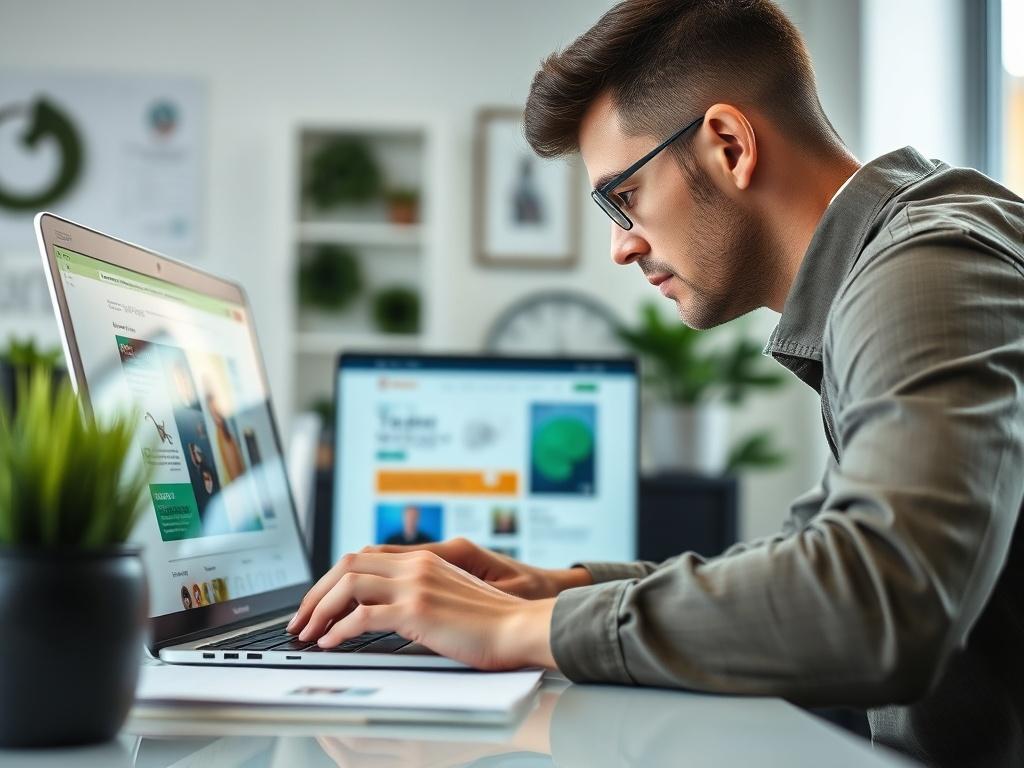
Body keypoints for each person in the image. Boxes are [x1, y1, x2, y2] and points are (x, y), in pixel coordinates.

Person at [288, 2, 1024, 765]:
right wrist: (553, 590)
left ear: (729, 145)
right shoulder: (907, 260)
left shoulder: (928, 268)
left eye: (623, 197)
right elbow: (815, 556)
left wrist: (513, 631)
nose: (620, 246)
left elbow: (877, 603)